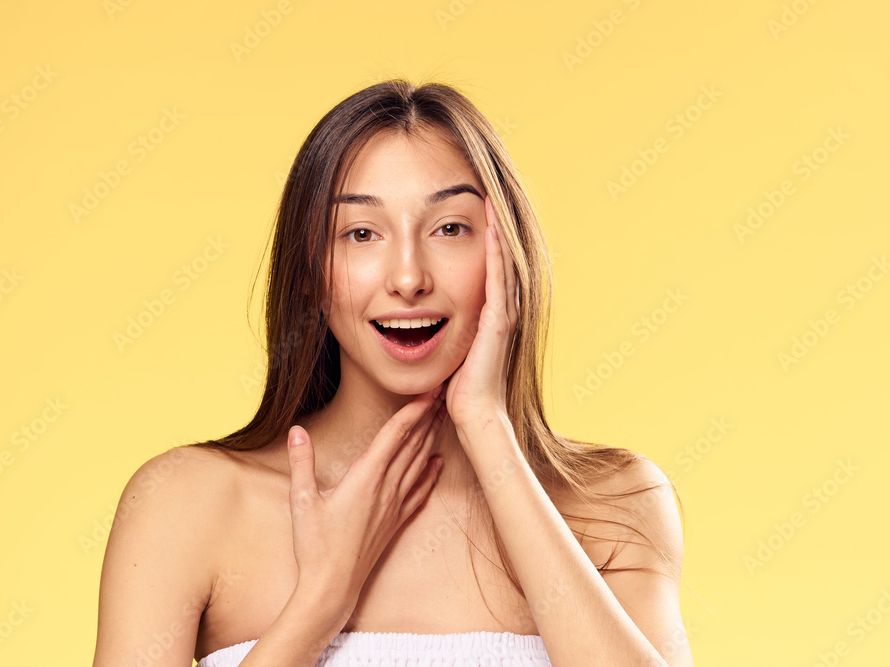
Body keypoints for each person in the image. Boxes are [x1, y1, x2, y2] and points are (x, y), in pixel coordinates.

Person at [92, 79, 693, 666]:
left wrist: (486, 426)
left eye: (449, 229)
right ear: (310, 271)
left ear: (507, 255)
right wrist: (319, 603)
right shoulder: (186, 503)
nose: (408, 278)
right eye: (361, 233)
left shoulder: (612, 502)